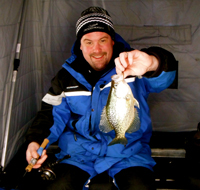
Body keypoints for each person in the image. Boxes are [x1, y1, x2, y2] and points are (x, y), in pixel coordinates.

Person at [24, 6, 178, 190]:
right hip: (78, 155)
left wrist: (153, 62)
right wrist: (35, 142)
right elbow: (50, 115)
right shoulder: (65, 76)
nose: (96, 49)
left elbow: (166, 78)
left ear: (112, 41)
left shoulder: (133, 66)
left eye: (102, 40)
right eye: (88, 42)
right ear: (80, 45)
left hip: (128, 154)